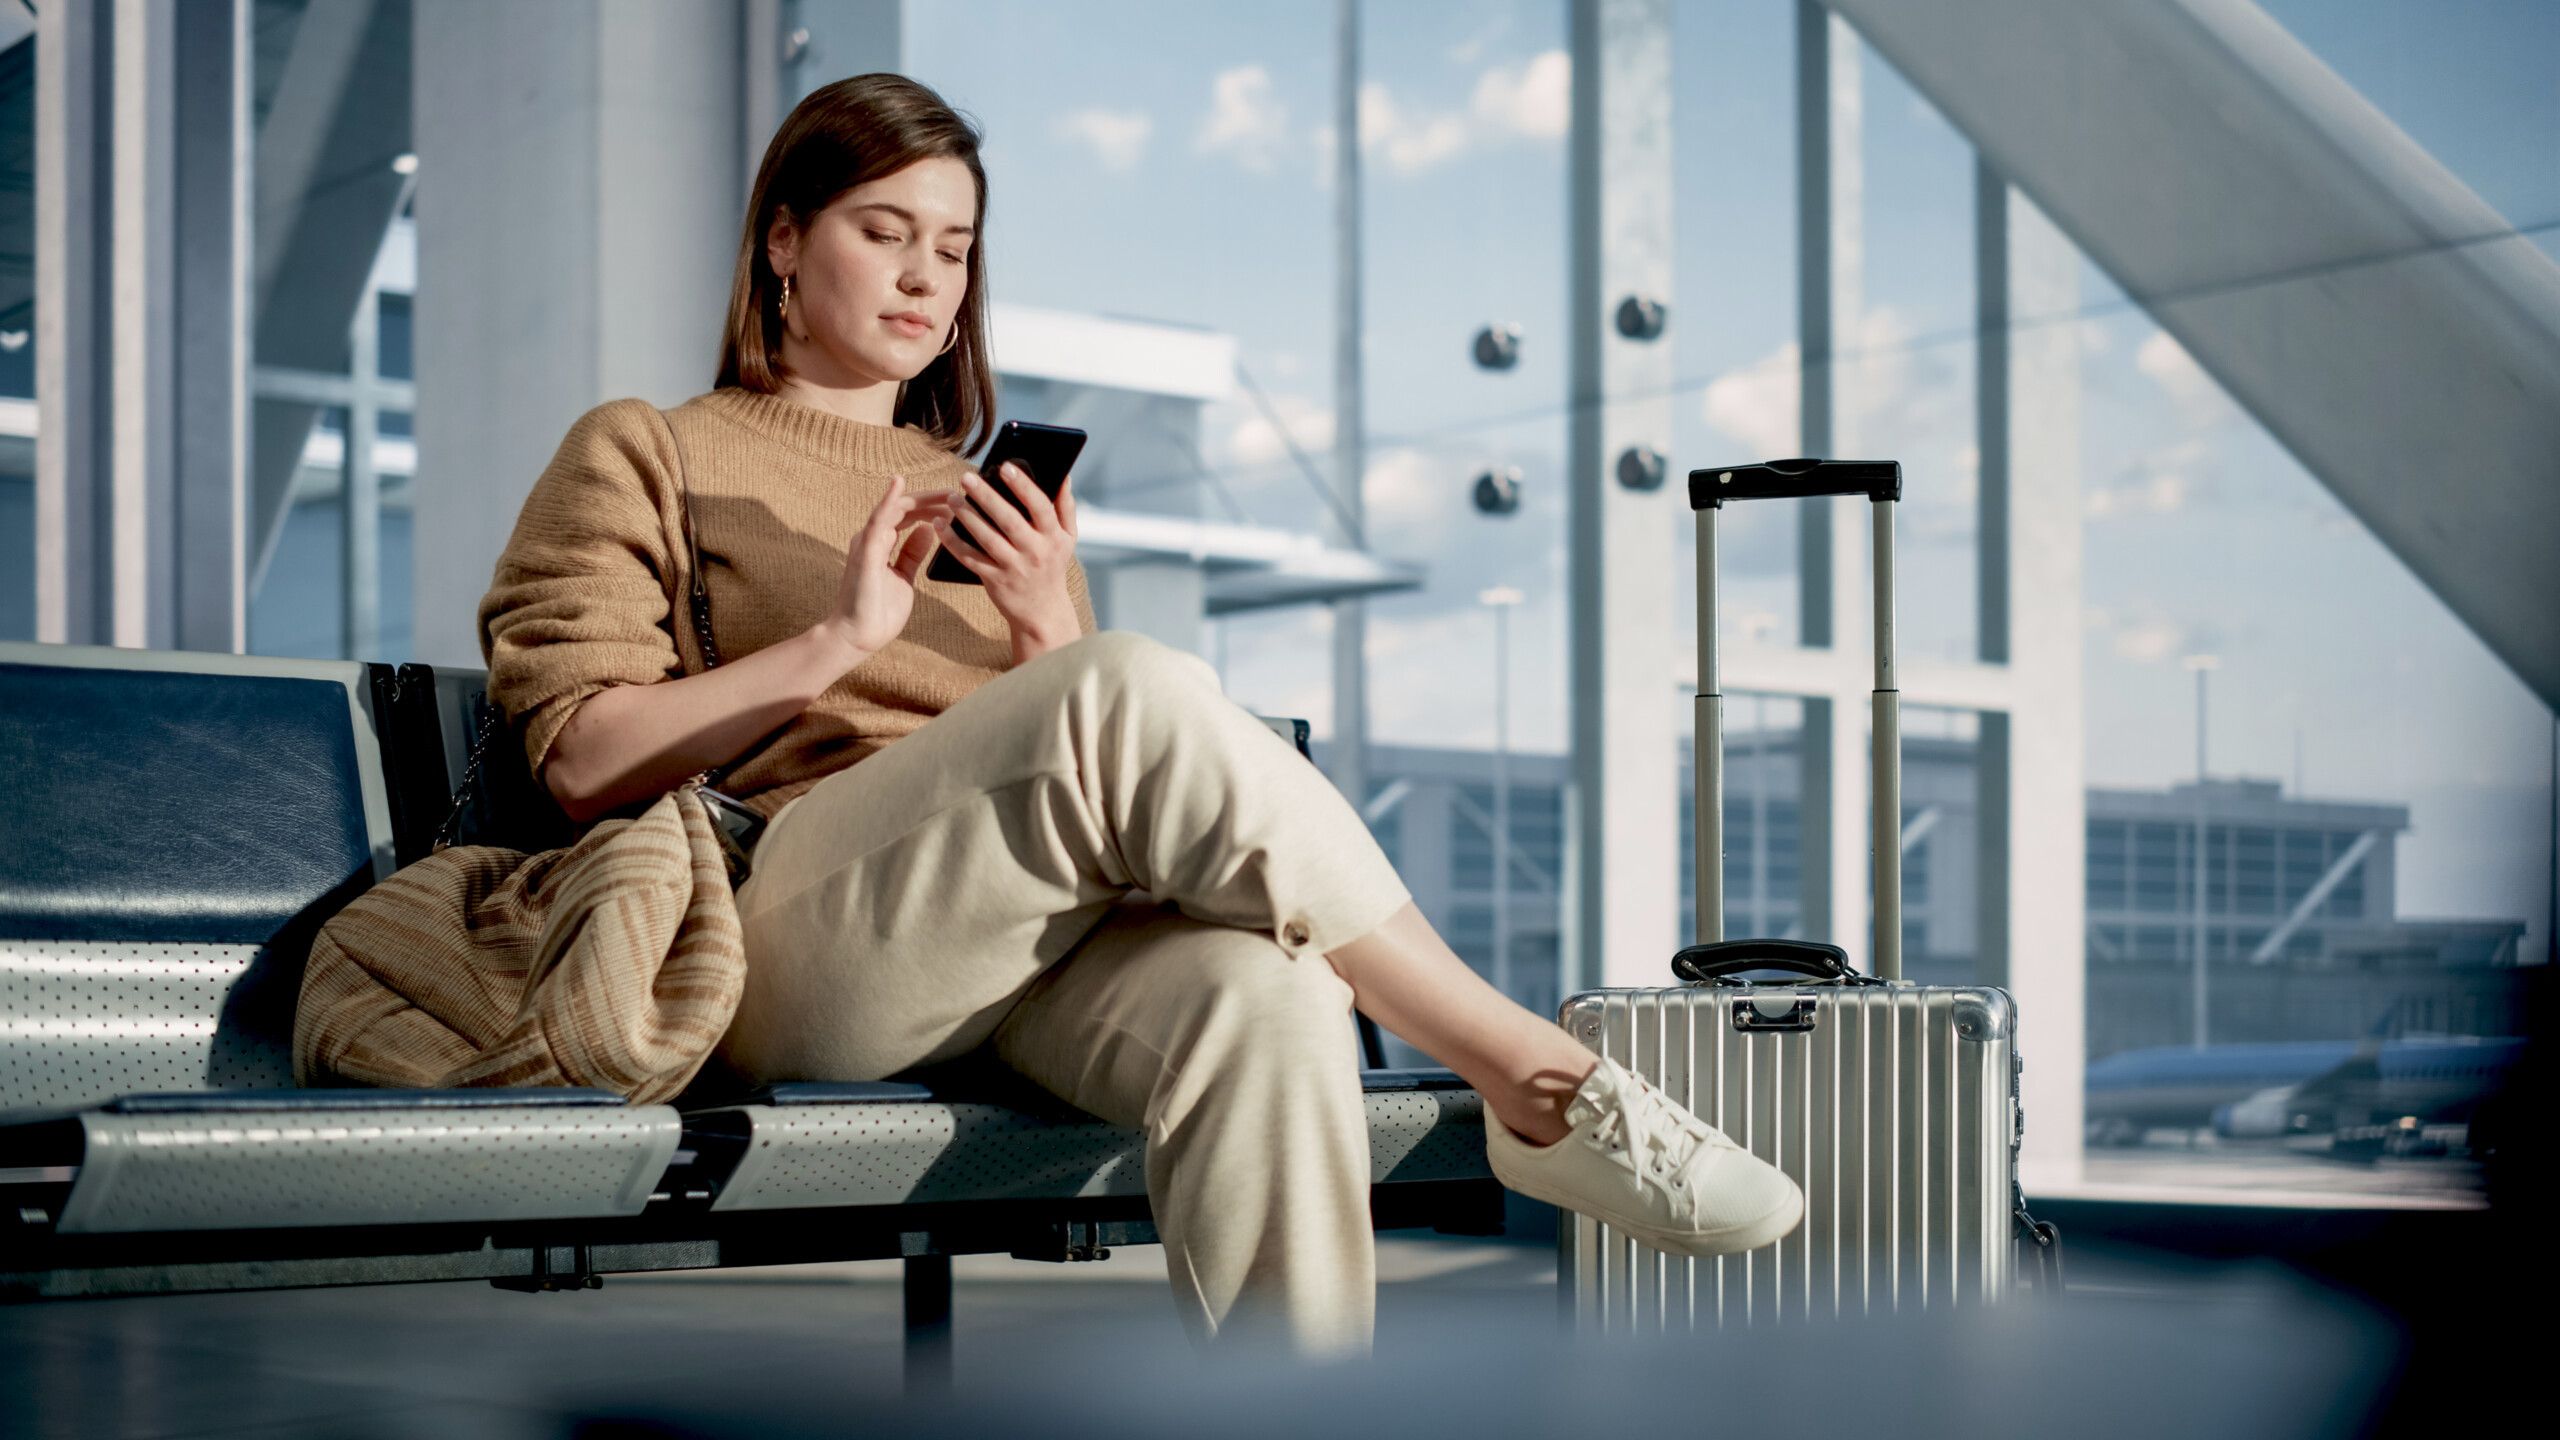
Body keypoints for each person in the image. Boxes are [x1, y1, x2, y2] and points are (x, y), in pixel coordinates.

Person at [479, 73, 1800, 1355]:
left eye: (954, 246)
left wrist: (1048, 618)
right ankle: (1537, 1076)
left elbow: (1075, 768)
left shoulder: (977, 493)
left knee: (1267, 998)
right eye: (883, 233)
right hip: (782, 934)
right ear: (783, 239)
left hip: (1015, 950)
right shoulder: (649, 447)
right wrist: (840, 640)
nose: (925, 276)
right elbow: (582, 760)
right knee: (1131, 684)